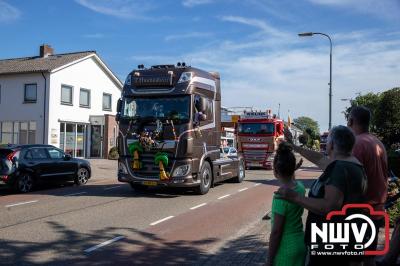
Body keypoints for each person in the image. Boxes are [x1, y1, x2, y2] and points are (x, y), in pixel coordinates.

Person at [277, 125, 368, 266]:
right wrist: (294, 146)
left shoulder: (340, 168)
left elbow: (329, 206)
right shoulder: (349, 164)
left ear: (331, 145)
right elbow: (319, 159)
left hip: (331, 247)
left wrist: (295, 197)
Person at [268, 142, 306, 266]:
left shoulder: (280, 197)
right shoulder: (300, 187)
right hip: (300, 243)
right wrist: (293, 168)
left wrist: (269, 261)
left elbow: (276, 232)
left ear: (275, 171)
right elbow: (291, 178)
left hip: (285, 249)